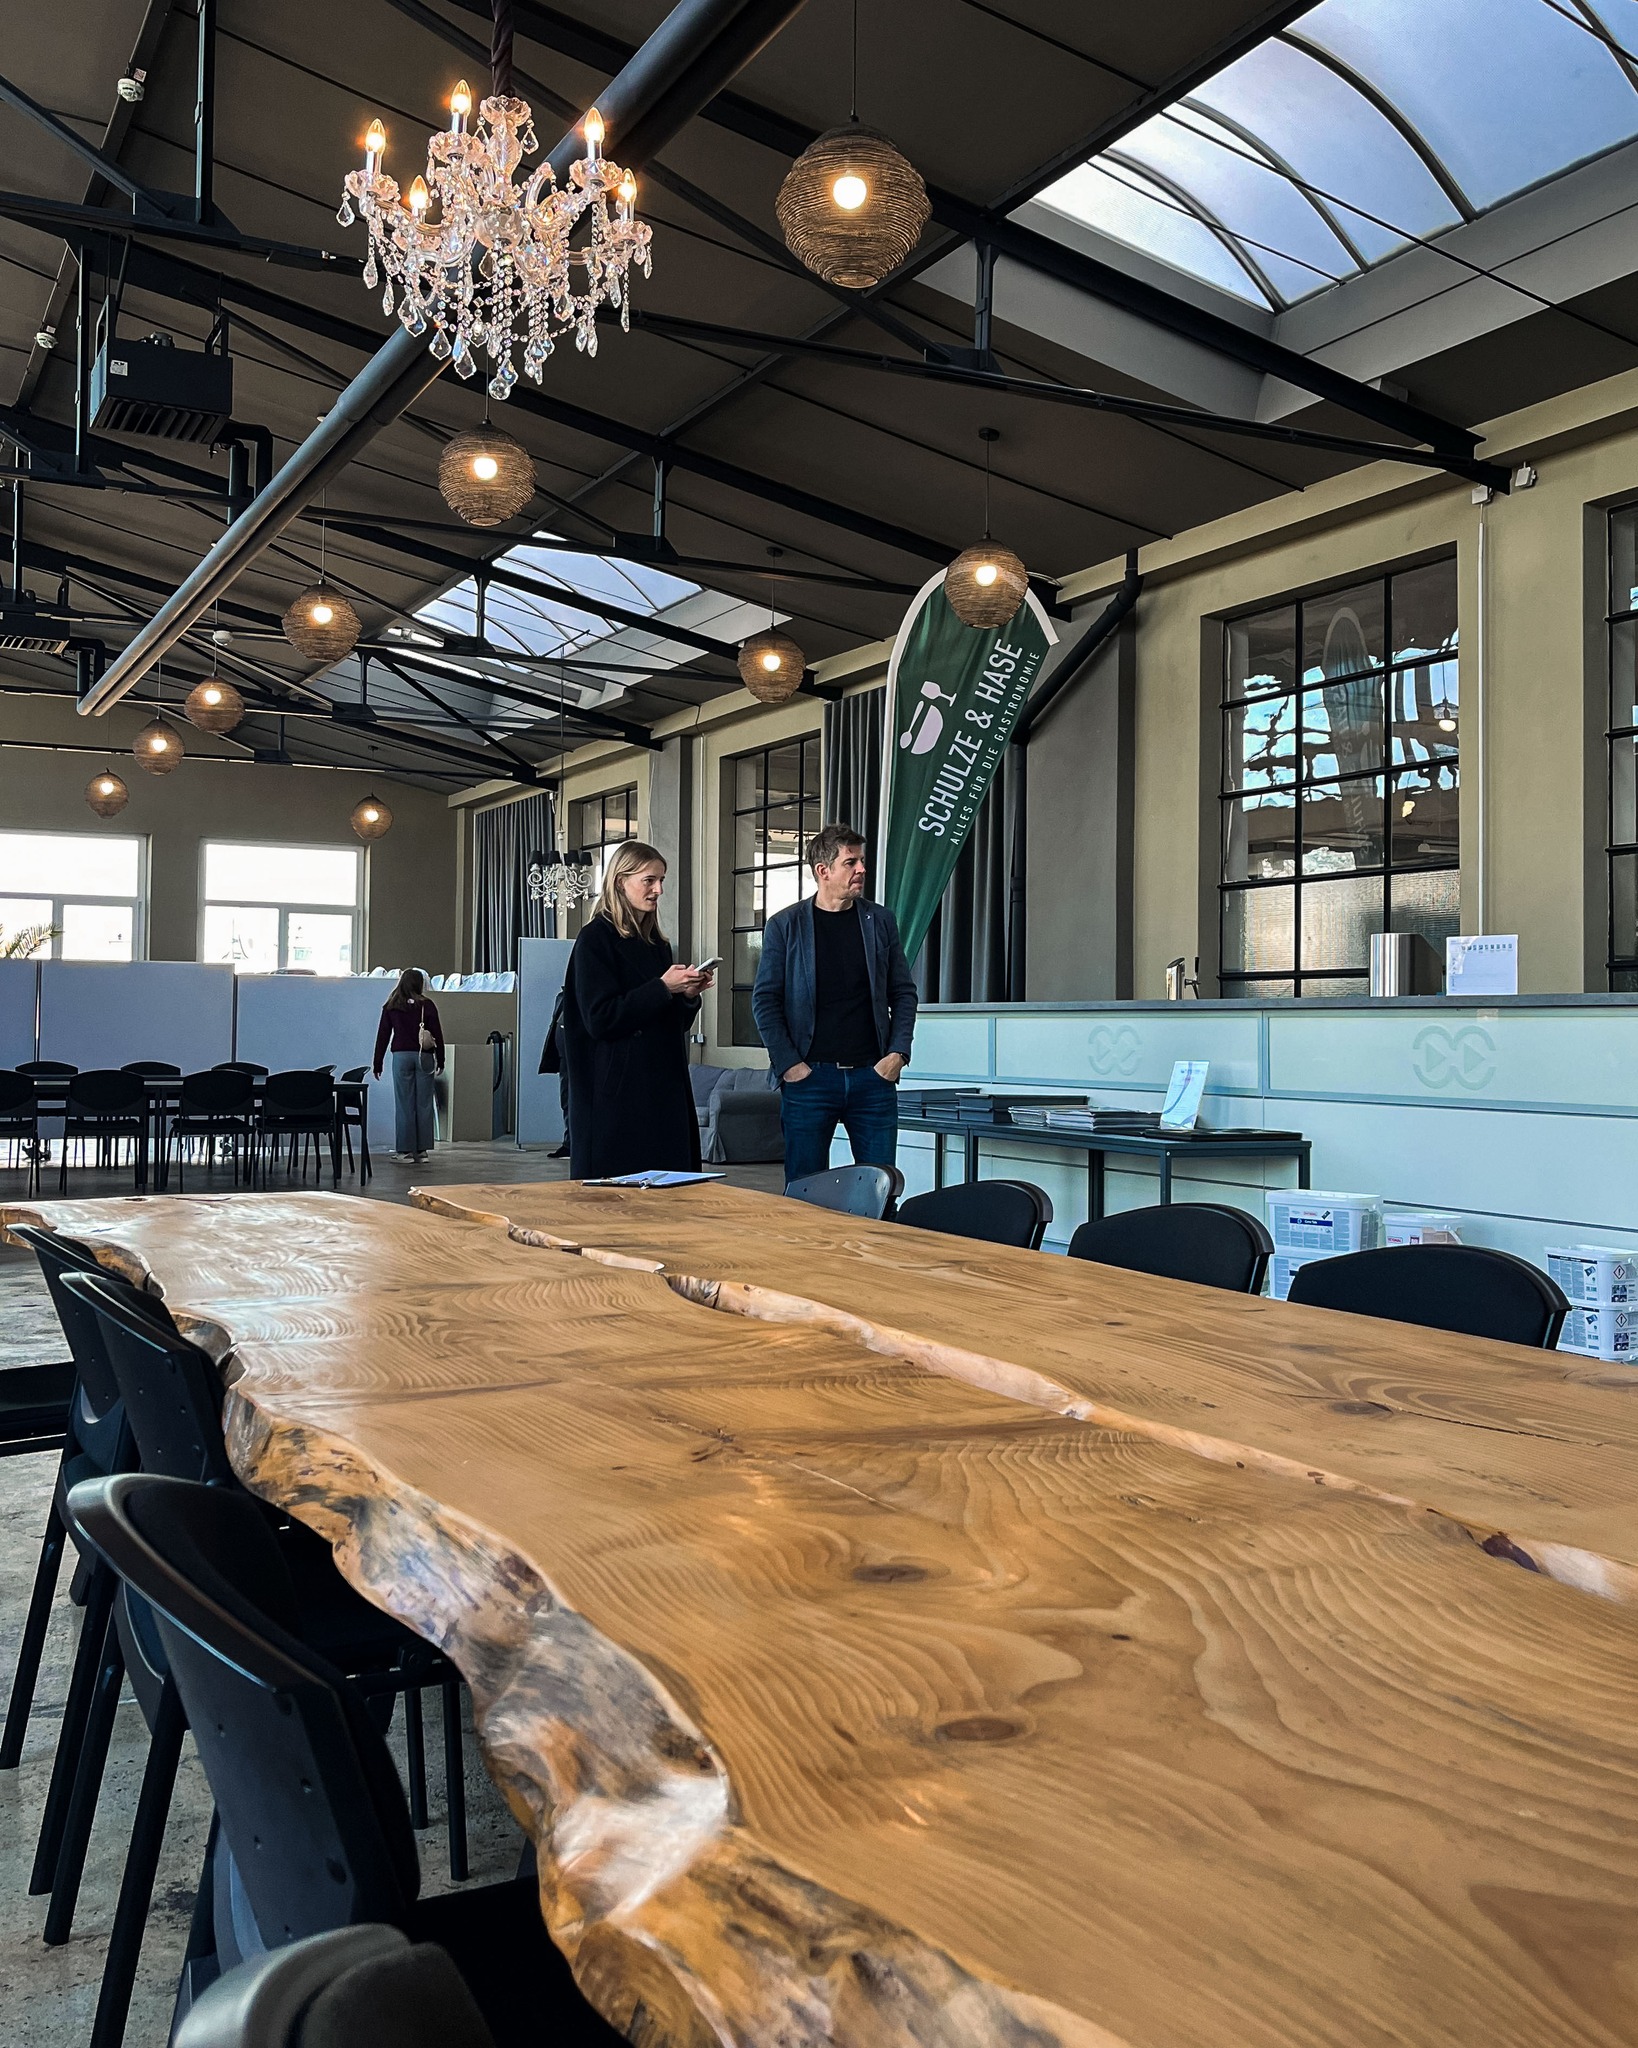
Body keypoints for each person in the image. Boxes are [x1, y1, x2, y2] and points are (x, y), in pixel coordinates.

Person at [751, 823, 917, 1186]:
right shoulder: (785, 925)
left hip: (873, 1077)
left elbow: (904, 993)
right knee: (805, 1192)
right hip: (809, 1079)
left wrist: (897, 1054)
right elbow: (765, 1000)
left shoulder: (880, 921)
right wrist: (789, 1065)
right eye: (850, 862)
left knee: (880, 1190)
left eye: (861, 861)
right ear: (823, 870)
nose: (862, 869)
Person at [562, 840, 712, 1180]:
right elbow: (600, 1019)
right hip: (617, 1095)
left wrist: (687, 995)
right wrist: (662, 988)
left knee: (671, 1191)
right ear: (620, 882)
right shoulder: (595, 940)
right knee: (618, 1194)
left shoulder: (656, 945)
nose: (659, 890)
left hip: (662, 1088)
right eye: (649, 880)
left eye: (661, 880)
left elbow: (671, 1024)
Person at [372, 967, 444, 1163]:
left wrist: (377, 1063)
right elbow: (437, 1033)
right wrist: (441, 1059)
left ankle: (404, 1151)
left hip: (401, 1056)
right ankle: (422, 1151)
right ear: (419, 984)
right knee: (424, 1104)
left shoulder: (392, 1005)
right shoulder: (427, 1005)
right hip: (424, 1056)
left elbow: (383, 1035)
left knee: (404, 1104)